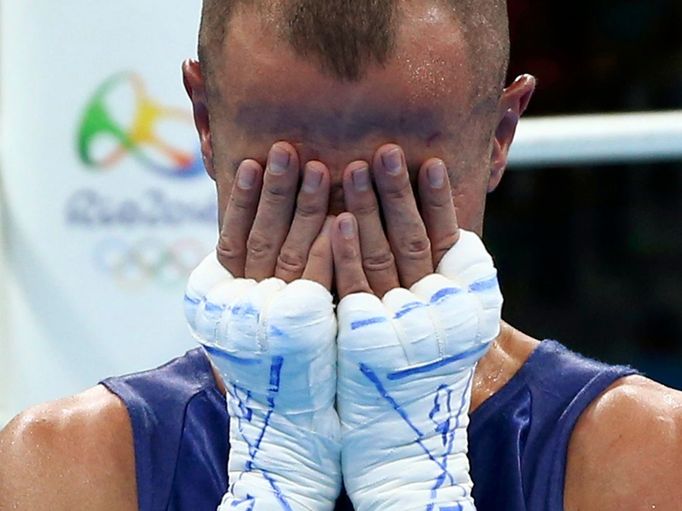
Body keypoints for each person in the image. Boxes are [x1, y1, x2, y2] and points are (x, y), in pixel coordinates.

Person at [1, 0, 681, 509]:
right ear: (205, 124)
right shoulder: (67, 465)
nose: (342, 241)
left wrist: (419, 484)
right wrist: (275, 475)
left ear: (499, 135)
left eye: (398, 184)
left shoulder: (643, 453)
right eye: (289, 181)